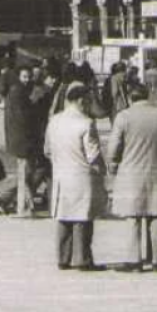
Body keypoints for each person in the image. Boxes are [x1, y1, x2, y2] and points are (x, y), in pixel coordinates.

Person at [44, 83, 107, 271]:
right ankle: (82, 259)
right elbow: (93, 155)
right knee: (82, 218)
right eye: (87, 101)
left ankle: (63, 258)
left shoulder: (54, 121)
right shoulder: (86, 123)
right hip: (81, 176)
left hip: (61, 175)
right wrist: (102, 171)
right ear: (80, 101)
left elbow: (47, 150)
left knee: (63, 216)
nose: (89, 105)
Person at [106, 85, 157, 272]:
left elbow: (114, 145)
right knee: (155, 216)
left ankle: (134, 260)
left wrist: (112, 163)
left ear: (130, 97)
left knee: (133, 218)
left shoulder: (124, 117)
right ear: (147, 96)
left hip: (131, 172)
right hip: (155, 171)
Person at [4, 65, 37, 216]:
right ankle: (22, 207)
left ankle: (22, 204)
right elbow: (22, 117)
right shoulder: (18, 92)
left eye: (29, 76)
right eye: (24, 76)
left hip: (18, 137)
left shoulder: (17, 91)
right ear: (18, 77)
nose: (27, 79)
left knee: (25, 172)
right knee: (24, 173)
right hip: (21, 137)